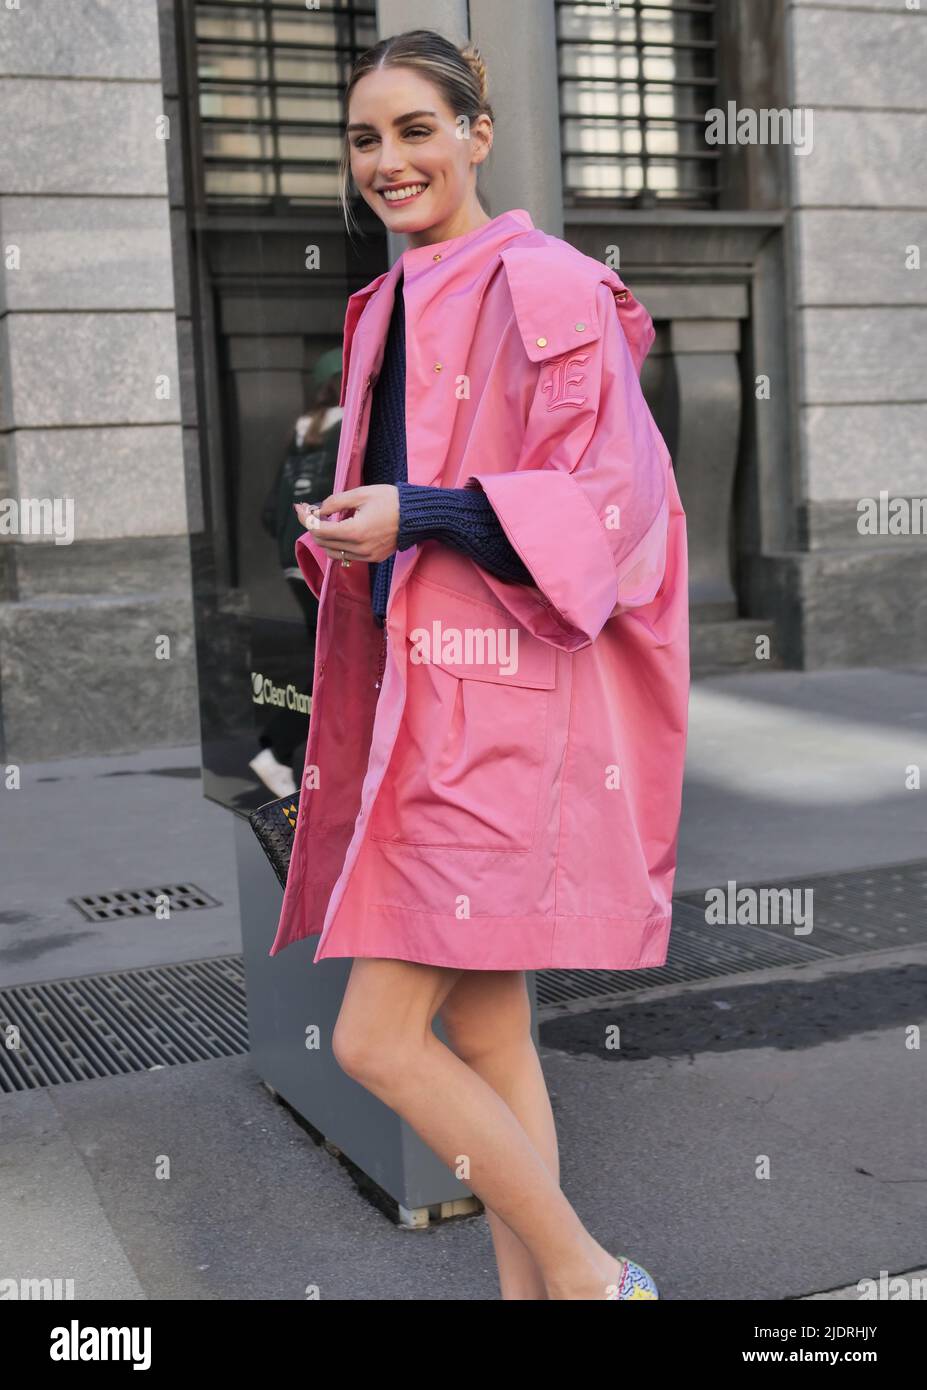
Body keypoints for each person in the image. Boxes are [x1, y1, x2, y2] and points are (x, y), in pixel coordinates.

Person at [269, 29, 690, 1300]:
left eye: (415, 129)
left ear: (477, 134)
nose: (388, 161)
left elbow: (608, 504)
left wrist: (426, 514)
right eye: (364, 138)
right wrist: (357, 527)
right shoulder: (398, 294)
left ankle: (594, 1279)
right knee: (491, 1032)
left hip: (495, 714)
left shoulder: (547, 283)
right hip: (431, 694)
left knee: (375, 1037)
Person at [251, 353, 343, 797]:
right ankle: (277, 749)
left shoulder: (303, 432)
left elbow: (271, 511)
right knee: (336, 661)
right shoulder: (349, 427)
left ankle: (298, 754)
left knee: (330, 657)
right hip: (335, 559)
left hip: (298, 560)